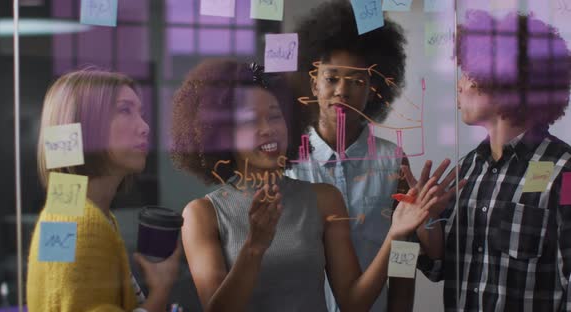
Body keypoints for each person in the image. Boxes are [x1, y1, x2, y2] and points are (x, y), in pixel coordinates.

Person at [171, 59, 438, 312]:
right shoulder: (202, 214)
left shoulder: (325, 198)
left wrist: (396, 234)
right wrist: (254, 247)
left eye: (275, 116)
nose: (268, 129)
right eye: (251, 120)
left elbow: (355, 303)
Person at [405, 10, 571, 311]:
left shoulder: (566, 172)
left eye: (468, 73)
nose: (459, 85)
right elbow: (440, 269)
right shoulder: (466, 169)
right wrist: (426, 219)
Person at [285, 1, 414, 310]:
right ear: (314, 83)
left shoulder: (394, 162)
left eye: (356, 81)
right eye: (332, 78)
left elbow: (404, 256)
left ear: (373, 89)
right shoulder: (288, 161)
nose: (342, 91)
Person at [27, 69, 180, 312]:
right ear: (84, 126)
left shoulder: (66, 207)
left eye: (141, 113)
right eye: (124, 110)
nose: (145, 127)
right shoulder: (84, 222)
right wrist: (161, 288)